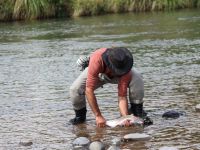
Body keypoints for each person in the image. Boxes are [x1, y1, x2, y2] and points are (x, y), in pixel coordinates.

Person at [69, 47, 146, 127]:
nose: (117, 71)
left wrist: (125, 117)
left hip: (119, 76)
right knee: (75, 89)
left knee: (137, 77)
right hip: (98, 73)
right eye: (116, 70)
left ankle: (137, 112)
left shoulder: (125, 67)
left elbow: (122, 96)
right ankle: (80, 118)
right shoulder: (97, 59)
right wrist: (98, 116)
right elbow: (89, 90)